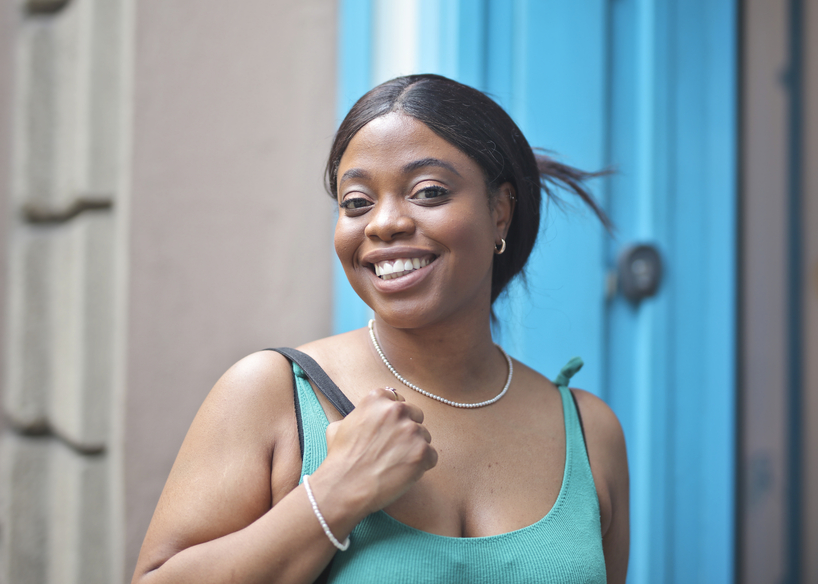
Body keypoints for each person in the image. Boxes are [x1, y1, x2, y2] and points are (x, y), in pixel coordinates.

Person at [132, 74, 629, 584]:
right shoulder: (273, 394)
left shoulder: (591, 435)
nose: (382, 223)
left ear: (499, 213)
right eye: (356, 202)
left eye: (428, 192)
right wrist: (335, 492)